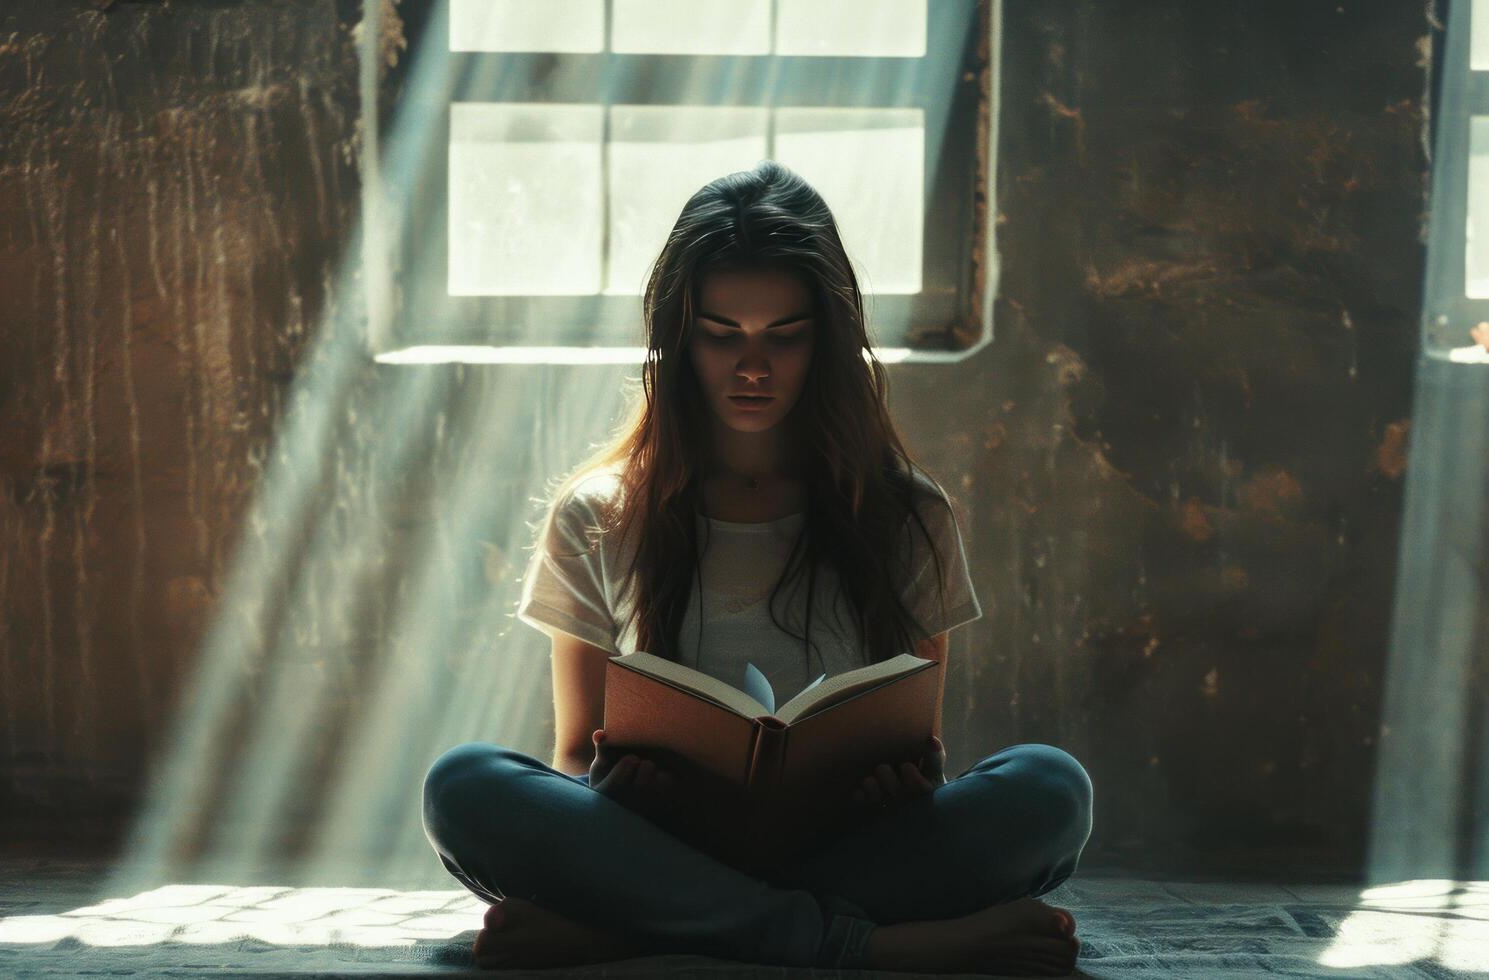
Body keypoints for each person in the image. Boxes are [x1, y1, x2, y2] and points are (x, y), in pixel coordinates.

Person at [421, 160, 1092, 975]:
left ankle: (651, 932)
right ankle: (849, 943)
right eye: (720, 334)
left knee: (1050, 788)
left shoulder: (907, 516)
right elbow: (570, 754)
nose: (751, 367)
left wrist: (911, 784)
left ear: (828, 339)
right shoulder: (598, 516)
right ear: (678, 335)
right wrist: (610, 787)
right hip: (659, 846)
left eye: (784, 335)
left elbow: (925, 746)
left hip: (849, 850)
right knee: (464, 785)